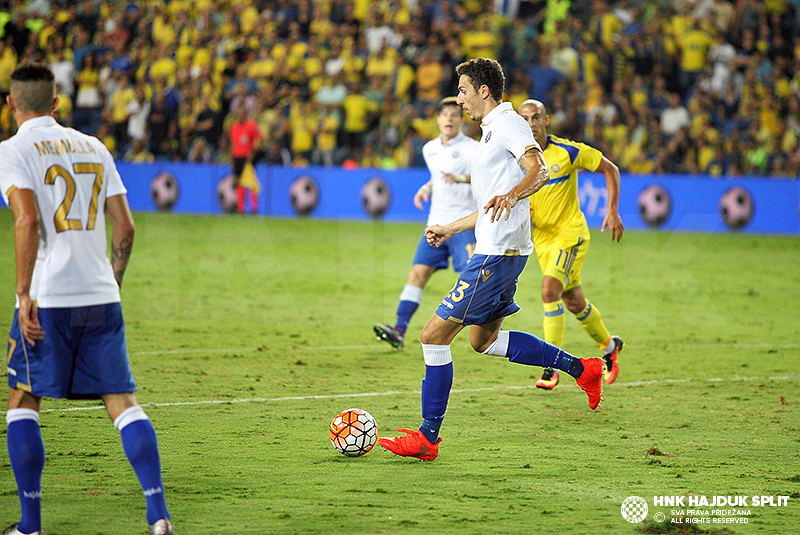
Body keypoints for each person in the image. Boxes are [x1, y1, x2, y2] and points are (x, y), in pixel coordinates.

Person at [378, 58, 605, 462]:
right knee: (483, 341)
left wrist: (514, 195)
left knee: (432, 336)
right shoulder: (490, 132)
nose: (460, 99)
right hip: (498, 249)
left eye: (463, 90)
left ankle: (428, 438)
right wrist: (451, 227)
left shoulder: (509, 124)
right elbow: (492, 202)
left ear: (484, 90)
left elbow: (538, 172)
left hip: (496, 256)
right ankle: (583, 369)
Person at [0, 63, 172, 535]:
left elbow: (27, 220)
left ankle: (30, 525)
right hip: (100, 294)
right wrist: (111, 281)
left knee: (23, 398)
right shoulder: (93, 146)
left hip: (47, 297)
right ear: (57, 103)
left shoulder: (12, 151)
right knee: (122, 400)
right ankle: (158, 516)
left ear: (11, 104)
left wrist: (23, 292)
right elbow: (126, 226)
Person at [517, 99, 625, 391]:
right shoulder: (517, 158)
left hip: (570, 234)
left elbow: (610, 169)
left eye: (536, 116)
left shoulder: (567, 151)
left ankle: (551, 365)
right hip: (542, 240)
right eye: (525, 118)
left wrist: (612, 210)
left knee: (549, 290)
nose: (531, 123)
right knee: (573, 301)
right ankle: (609, 345)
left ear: (546, 120)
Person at [373, 96, 478, 349]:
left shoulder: (474, 149)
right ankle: (399, 330)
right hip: (435, 222)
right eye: (445, 115)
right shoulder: (429, 149)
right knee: (417, 274)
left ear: (461, 119)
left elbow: (487, 179)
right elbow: (439, 177)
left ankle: (484, 331)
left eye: (455, 114)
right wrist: (427, 187)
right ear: (438, 119)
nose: (450, 119)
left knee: (471, 280)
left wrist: (462, 178)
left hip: (462, 225)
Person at [228, 102, 262, 214]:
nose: (241, 115)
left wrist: (252, 154)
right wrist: (231, 158)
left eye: (243, 113)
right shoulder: (234, 126)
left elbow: (257, 140)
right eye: (239, 112)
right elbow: (233, 143)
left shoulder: (251, 125)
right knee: (239, 183)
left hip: (247, 158)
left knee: (251, 183)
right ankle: (240, 208)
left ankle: (254, 208)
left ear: (246, 113)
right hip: (237, 157)